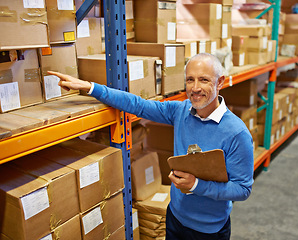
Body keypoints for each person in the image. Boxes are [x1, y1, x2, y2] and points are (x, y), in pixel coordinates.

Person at [48, 53, 254, 240]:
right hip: (175, 217)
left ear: (220, 82)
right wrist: (90, 88)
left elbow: (243, 189)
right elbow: (139, 105)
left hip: (209, 230)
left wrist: (196, 186)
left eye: (204, 80)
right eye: (190, 79)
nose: (195, 87)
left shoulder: (236, 133)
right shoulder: (181, 111)